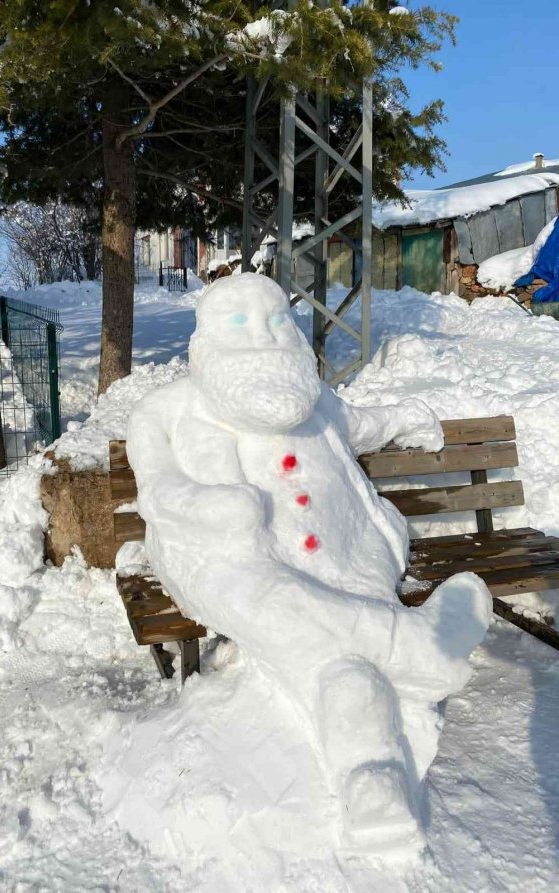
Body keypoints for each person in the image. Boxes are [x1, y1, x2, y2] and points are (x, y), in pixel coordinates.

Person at [125, 273, 491, 856]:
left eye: (277, 323)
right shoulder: (165, 411)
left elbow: (362, 425)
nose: (267, 340)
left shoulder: (317, 403)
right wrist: (211, 505)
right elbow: (157, 489)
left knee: (337, 664)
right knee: (275, 601)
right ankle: (418, 646)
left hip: (345, 564)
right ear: (203, 345)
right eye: (241, 326)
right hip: (225, 563)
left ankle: (372, 784)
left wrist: (404, 416)